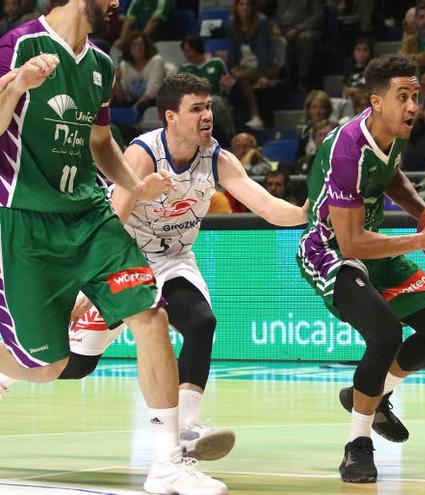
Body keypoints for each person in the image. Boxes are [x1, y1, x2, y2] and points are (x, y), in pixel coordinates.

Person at [0, 2, 225, 493]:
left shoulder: (101, 64)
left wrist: (132, 184)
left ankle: (167, 462)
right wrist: (17, 85)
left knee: (152, 317)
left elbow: (100, 142)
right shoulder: (17, 46)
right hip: (26, 222)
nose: (116, 5)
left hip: (91, 216)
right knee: (50, 367)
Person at [65, 72, 309, 462]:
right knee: (76, 365)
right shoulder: (142, 156)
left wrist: (304, 213)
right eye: (196, 108)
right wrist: (84, 285)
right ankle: (11, 368)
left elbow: (264, 204)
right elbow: (113, 222)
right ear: (170, 117)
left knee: (201, 322)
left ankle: (187, 426)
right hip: (125, 258)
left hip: (174, 259)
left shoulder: (217, 158)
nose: (207, 115)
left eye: (208, 106)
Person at [296, 53, 425, 484]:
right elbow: (352, 241)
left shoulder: (396, 130)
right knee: (386, 332)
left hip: (373, 248)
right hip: (331, 252)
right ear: (376, 101)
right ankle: (357, 446)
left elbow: (391, 177)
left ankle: (372, 396)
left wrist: (423, 214)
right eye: (403, 97)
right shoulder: (345, 150)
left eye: (416, 95)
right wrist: (423, 239)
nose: (413, 105)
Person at [227, 0, 274, 129]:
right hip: (245, 64)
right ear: (236, 7)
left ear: (253, 8)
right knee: (234, 78)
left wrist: (263, 74)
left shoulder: (261, 21)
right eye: (241, 4)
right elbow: (232, 51)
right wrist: (231, 70)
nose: (245, 8)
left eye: (248, 5)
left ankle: (256, 116)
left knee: (242, 78)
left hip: (266, 65)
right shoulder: (232, 23)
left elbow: (263, 51)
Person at [273, 0, 323, 93]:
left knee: (304, 38)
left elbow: (318, 16)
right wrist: (275, 26)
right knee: (271, 37)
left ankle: (303, 78)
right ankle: (278, 78)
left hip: (305, 29)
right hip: (284, 30)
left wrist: (298, 29)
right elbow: (276, 16)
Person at [111, 33, 165, 114]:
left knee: (143, 106)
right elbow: (122, 99)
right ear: (128, 48)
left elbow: (152, 92)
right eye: (134, 45)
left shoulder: (156, 61)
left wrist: (133, 109)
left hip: (151, 102)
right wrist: (117, 81)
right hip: (131, 104)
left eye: (141, 44)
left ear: (146, 46)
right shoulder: (124, 65)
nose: (138, 48)